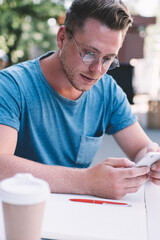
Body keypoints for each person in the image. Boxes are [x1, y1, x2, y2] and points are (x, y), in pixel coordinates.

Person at [0, 0, 160, 200]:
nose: (97, 69)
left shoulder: (107, 91)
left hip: (77, 220)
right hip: (20, 217)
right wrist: (87, 181)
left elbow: (140, 149)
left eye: (108, 58)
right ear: (62, 38)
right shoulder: (11, 86)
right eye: (89, 53)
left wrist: (152, 159)